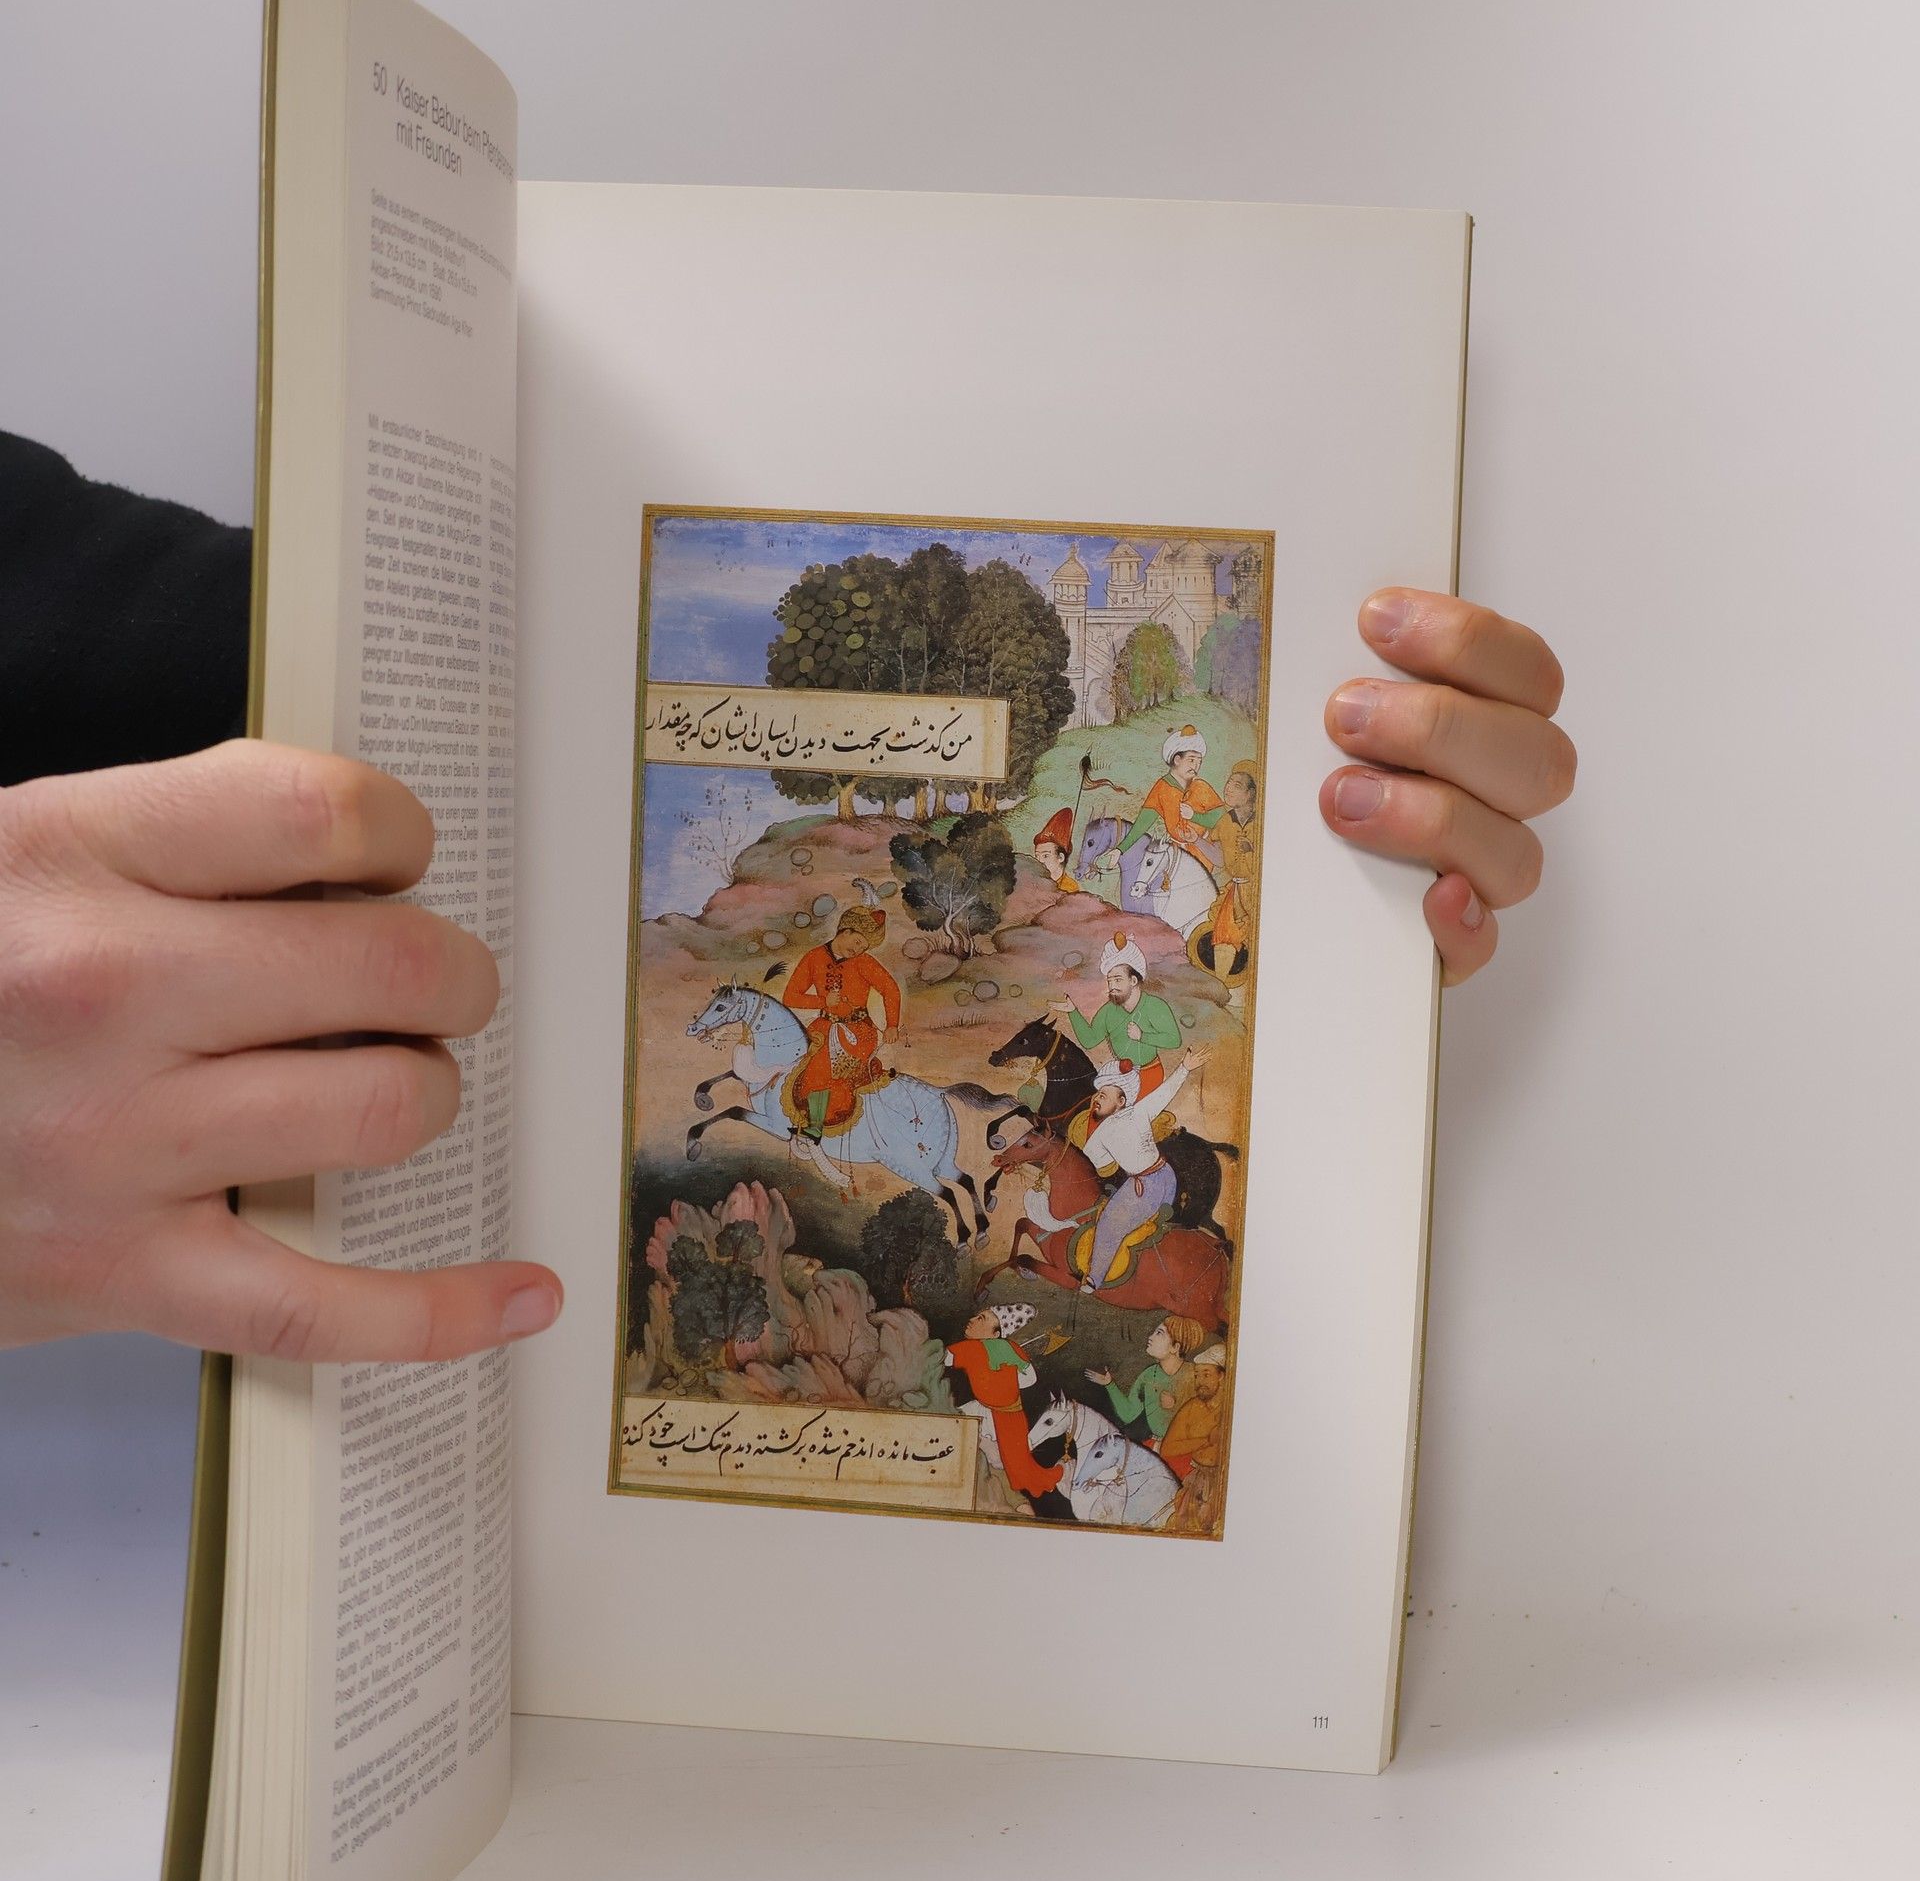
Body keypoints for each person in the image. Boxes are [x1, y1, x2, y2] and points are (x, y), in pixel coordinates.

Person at [0, 432, 1575, 1362]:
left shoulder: (884, 962)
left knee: (841, 1088)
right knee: (812, 1081)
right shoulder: (825, 963)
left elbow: (84, 612)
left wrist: (1301, 889)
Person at [1076, 1050, 1208, 1294]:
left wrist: (1184, 1068)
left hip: (1151, 1185)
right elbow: (1091, 1162)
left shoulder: (1138, 1112)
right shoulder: (1100, 1135)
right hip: (1156, 1178)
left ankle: (1094, 1279)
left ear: (1121, 1101)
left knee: (1108, 1223)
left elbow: (1164, 1093)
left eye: (1104, 1095)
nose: (1097, 1099)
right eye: (1098, 1094)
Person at [779, 904, 901, 1154]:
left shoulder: (864, 962)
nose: (857, 950)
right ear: (845, 931)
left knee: (822, 1066)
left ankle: (815, 1128)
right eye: (856, 942)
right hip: (823, 1027)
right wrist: (822, 1001)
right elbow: (790, 996)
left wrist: (892, 1025)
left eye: (863, 947)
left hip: (858, 1032)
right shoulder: (814, 957)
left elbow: (890, 989)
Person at [943, 1302, 1062, 1499]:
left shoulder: (971, 1348)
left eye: (981, 1319)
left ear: (996, 1333)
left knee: (1013, 1462)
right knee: (1015, 1461)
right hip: (992, 1409)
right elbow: (1028, 1379)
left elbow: (942, 1357)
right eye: (977, 1316)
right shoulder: (1011, 1348)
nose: (971, 1320)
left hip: (1006, 1415)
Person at [1048, 930, 1180, 1102]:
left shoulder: (1155, 1006)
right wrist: (1073, 1012)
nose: (1112, 987)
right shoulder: (1109, 1011)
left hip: (1149, 1073)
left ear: (1133, 981)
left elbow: (1174, 1040)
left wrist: (1143, 1036)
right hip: (1120, 1074)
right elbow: (1089, 1040)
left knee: (1128, 1114)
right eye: (1109, 981)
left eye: (1117, 980)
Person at [1101, 724, 1224, 873]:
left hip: (1202, 852)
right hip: (1175, 854)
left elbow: (1221, 818)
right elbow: (1143, 823)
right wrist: (1120, 849)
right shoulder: (1162, 788)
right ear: (1177, 760)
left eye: (1199, 762)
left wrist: (1194, 816)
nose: (1196, 767)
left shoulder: (1201, 786)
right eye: (1192, 760)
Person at [1087, 1314, 1207, 1445]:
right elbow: (1129, 1414)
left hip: (1188, 1446)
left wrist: (1175, 1407)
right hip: (1157, 1444)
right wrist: (1110, 1384)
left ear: (1175, 1347)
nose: (1150, 1337)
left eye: (1159, 1333)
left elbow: (1207, 1418)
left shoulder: (1195, 1374)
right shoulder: (1148, 1375)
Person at [1162, 1343, 1229, 1533]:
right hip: (1198, 1483)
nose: (1199, 1381)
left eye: (1206, 1375)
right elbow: (1168, 1449)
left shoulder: (1231, 1407)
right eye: (1197, 1375)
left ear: (1221, 1376)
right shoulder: (1192, 1407)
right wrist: (1206, 1440)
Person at [1203, 761, 1259, 985]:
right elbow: (1218, 859)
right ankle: (1221, 986)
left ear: (1251, 793)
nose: (1228, 789)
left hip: (1258, 892)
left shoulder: (1264, 821)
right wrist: (1195, 840)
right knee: (1224, 933)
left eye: (1236, 785)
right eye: (1228, 783)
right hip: (1235, 888)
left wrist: (1252, 851)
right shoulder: (1225, 822)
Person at [1030, 807, 1080, 893]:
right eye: (1037, 856)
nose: (1039, 861)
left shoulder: (1070, 888)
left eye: (1045, 856)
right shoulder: (1032, 883)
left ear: (1060, 857)